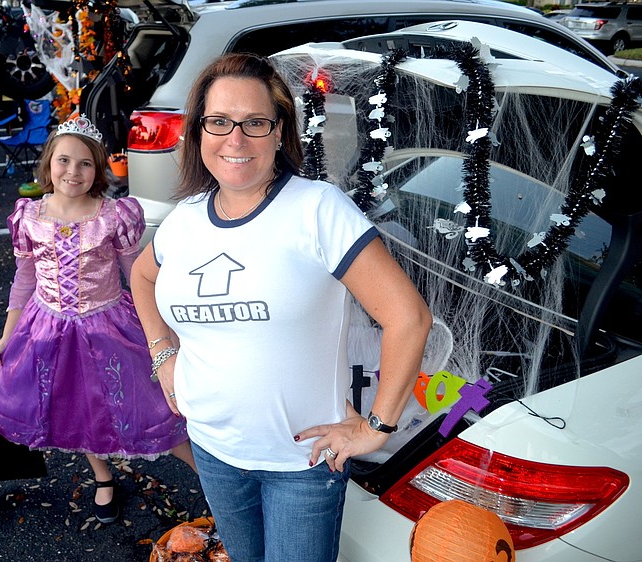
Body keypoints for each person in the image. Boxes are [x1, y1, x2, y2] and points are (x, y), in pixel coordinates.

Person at [130, 53, 433, 562]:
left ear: (279, 131)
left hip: (302, 464)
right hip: (212, 447)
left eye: (255, 122)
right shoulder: (184, 220)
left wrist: (375, 426)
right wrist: (163, 355)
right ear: (200, 130)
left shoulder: (318, 209)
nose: (236, 139)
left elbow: (409, 318)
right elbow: (141, 275)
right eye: (220, 121)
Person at [0, 113, 195, 524]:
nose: (73, 171)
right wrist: (6, 336)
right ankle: (102, 476)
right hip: (47, 330)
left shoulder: (112, 216)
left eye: (85, 163)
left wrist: (162, 331)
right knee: (74, 405)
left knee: (154, 404)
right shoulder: (29, 216)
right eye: (64, 160)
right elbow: (24, 280)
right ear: (48, 163)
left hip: (109, 326)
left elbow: (139, 276)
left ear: (98, 170)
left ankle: (211, 476)